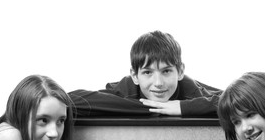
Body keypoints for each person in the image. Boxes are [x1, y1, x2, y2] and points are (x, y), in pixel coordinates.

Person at [69, 30, 222, 117]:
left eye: (166, 71)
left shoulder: (192, 91)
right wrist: (149, 108)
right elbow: (71, 100)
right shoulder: (126, 90)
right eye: (148, 72)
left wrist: (184, 107)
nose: (158, 83)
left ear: (180, 71)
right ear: (135, 76)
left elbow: (240, 99)